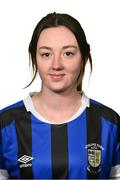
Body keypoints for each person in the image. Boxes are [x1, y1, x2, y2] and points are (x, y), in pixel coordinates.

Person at [0, 12, 120, 180]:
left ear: (84, 57)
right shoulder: (6, 124)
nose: (56, 65)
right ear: (35, 59)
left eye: (68, 53)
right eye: (46, 54)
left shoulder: (109, 123)